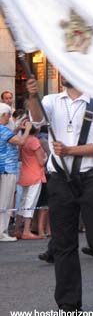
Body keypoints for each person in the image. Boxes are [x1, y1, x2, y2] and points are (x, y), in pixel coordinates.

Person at [26, 77, 93, 316]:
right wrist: (32, 95)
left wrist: (70, 150)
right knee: (63, 243)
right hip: (60, 179)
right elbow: (37, 119)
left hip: (92, 177)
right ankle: (69, 306)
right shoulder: (50, 100)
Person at [0, 103, 32, 242]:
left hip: (4, 168)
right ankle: (2, 231)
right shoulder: (3, 129)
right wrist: (27, 130)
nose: (9, 117)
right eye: (8, 115)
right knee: (5, 201)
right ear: (3, 115)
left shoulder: (4, 130)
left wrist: (18, 128)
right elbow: (20, 141)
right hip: (7, 168)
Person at [14, 124, 47, 240]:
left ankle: (17, 229)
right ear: (36, 129)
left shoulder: (22, 140)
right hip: (35, 174)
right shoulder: (34, 141)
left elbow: (19, 157)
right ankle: (27, 230)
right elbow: (41, 162)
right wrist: (46, 157)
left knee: (23, 202)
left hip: (25, 173)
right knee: (31, 203)